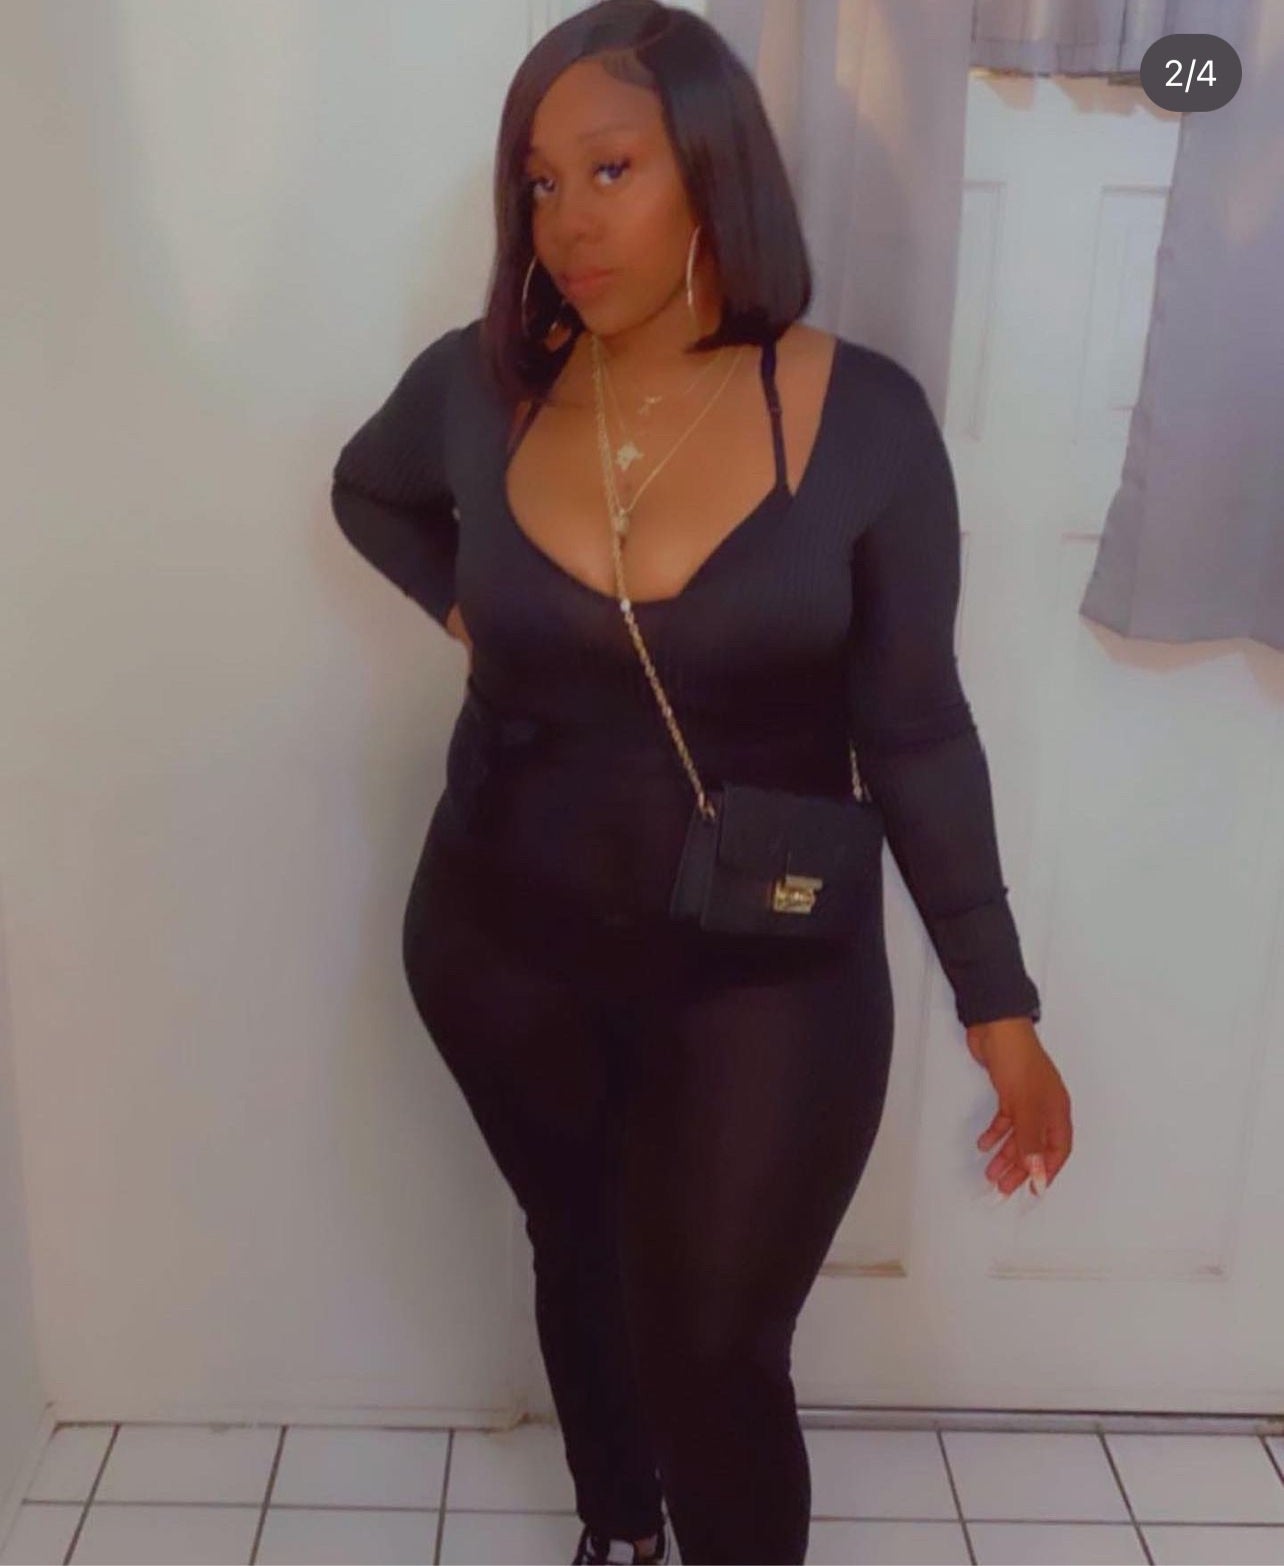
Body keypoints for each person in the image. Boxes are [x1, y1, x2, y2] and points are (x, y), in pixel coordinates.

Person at [329, 2, 1074, 1561]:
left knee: (716, 1344)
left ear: (715, 167)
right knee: (579, 1243)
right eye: (540, 184)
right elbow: (368, 491)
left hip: (764, 960)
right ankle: (619, 1525)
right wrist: (469, 609)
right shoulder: (479, 388)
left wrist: (999, 1007)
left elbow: (917, 729)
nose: (567, 221)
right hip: (499, 936)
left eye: (611, 168)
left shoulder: (862, 420)